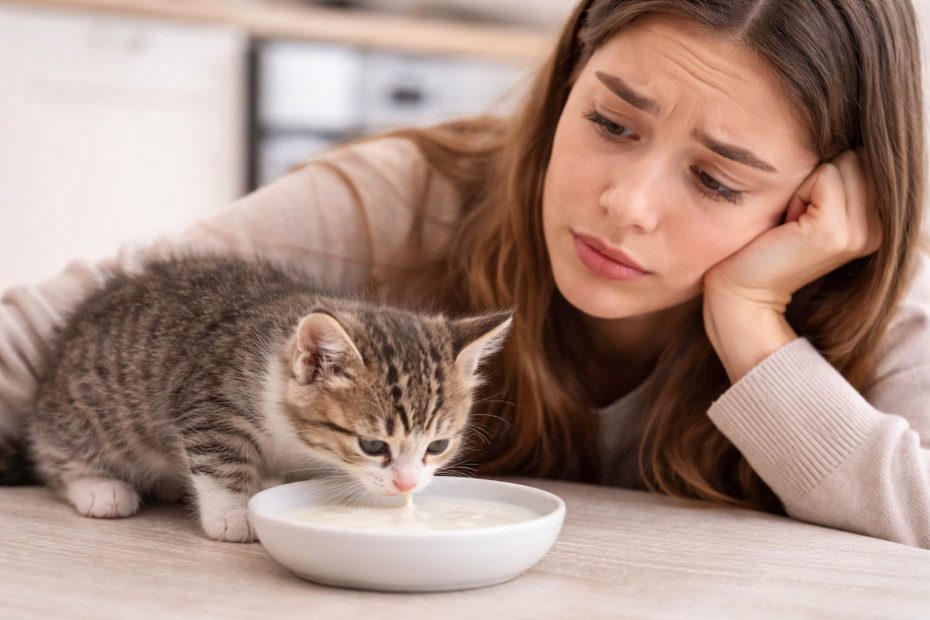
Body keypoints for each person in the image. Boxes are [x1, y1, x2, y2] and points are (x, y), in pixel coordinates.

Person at [2, 0, 928, 548]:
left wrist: (754, 315)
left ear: (821, 202)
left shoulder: (883, 302)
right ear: (566, 82)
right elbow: (38, 342)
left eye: (718, 179)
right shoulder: (396, 203)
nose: (627, 204)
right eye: (610, 123)